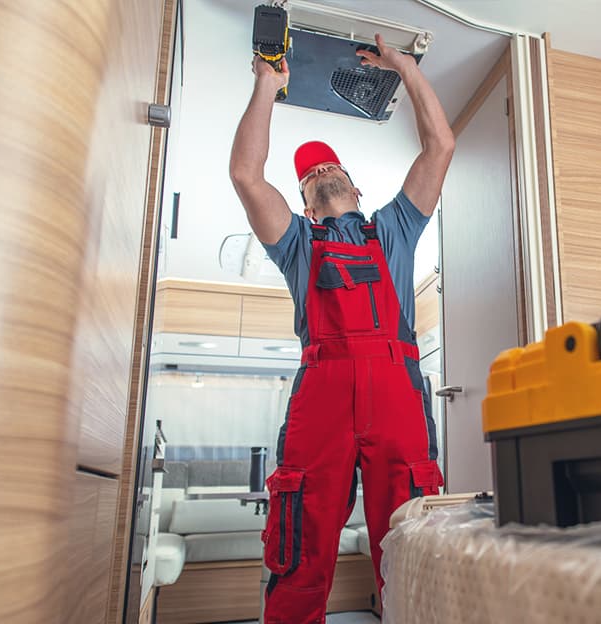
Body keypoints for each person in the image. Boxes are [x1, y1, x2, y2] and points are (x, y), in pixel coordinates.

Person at [229, 34, 455, 624]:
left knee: (413, 550)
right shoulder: (297, 245)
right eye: (309, 175)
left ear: (358, 190)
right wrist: (266, 84)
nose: (321, 170)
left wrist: (404, 67)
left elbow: (440, 145)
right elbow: (246, 174)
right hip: (322, 395)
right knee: (298, 549)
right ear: (304, 203)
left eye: (332, 167)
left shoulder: (396, 231)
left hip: (396, 392)